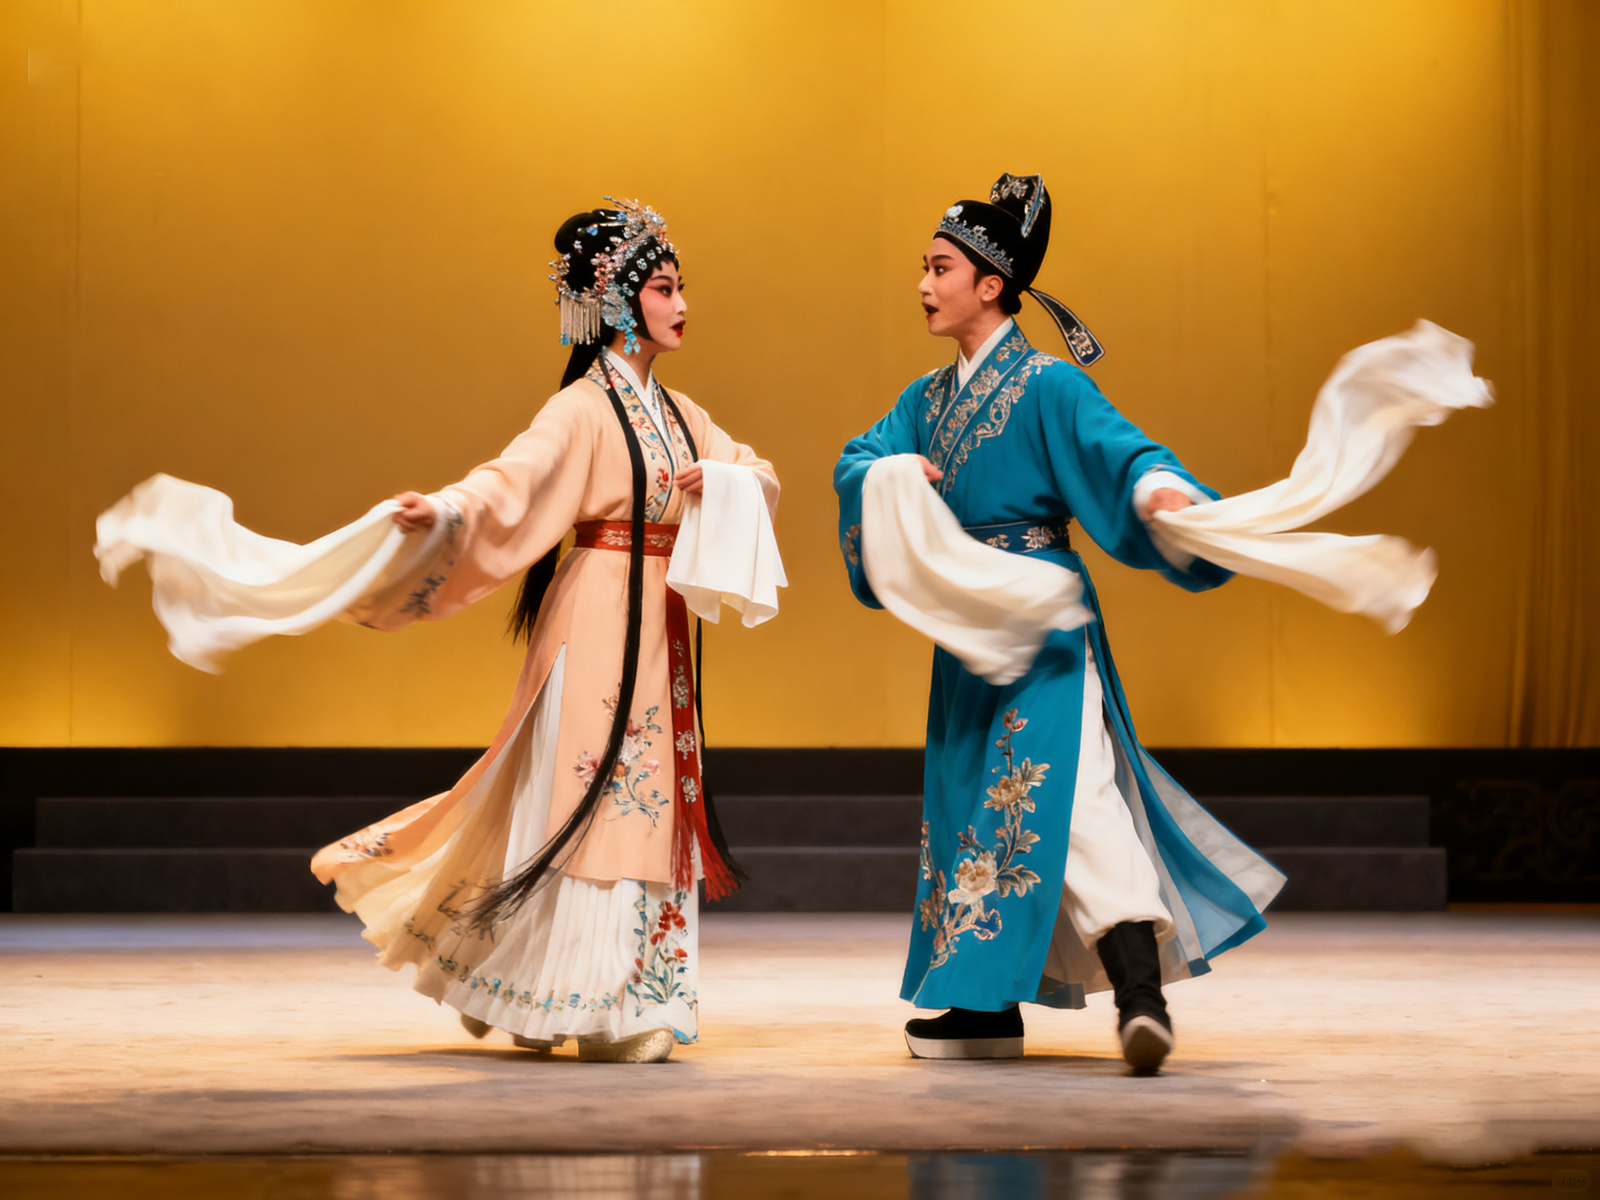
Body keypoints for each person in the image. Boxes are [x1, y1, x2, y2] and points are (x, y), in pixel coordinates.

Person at [311, 198, 781, 1064]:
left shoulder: (683, 414)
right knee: (589, 796)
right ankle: (594, 1003)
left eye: (681, 287)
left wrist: (723, 480)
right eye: (665, 288)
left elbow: (757, 470)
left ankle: (586, 990)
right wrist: (444, 509)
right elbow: (511, 482)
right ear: (621, 300)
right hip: (598, 613)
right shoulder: (581, 408)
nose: (682, 305)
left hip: (661, 621)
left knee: (644, 794)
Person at [833, 174, 1283, 1074]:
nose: (923, 284)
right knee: (970, 803)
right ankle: (983, 1006)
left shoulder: (1050, 385)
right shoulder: (925, 399)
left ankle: (1141, 995)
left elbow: (1122, 453)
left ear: (991, 283)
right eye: (925, 267)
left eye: (940, 268)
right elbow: (861, 457)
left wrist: (1157, 489)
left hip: (1040, 616)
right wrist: (886, 476)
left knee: (1070, 793)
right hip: (970, 620)